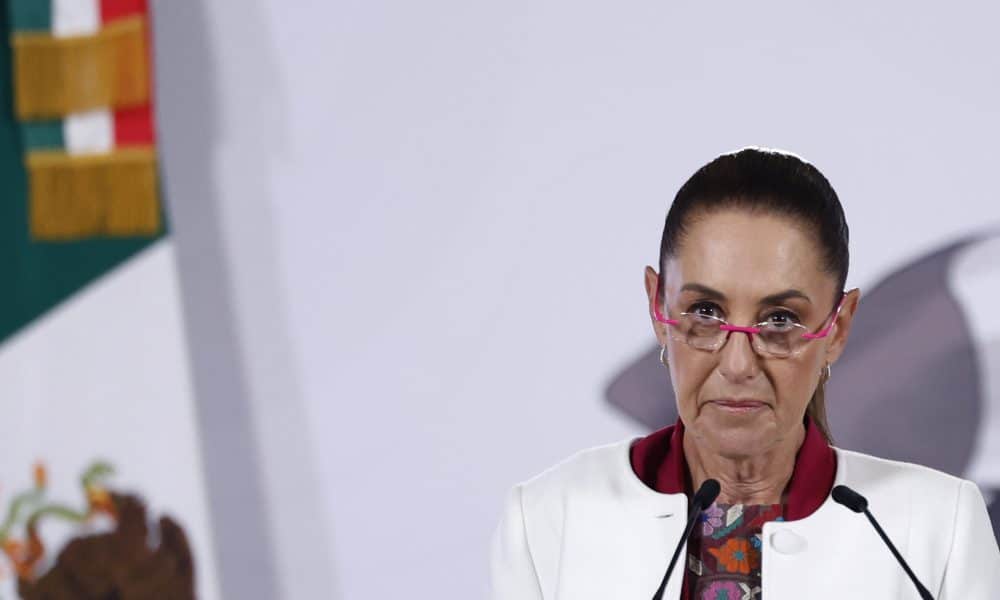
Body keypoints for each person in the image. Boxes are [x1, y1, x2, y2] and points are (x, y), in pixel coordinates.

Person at [489, 147, 1000, 599]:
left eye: (780, 320)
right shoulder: (548, 519)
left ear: (838, 328)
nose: (737, 365)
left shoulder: (939, 528)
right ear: (656, 306)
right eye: (705, 312)